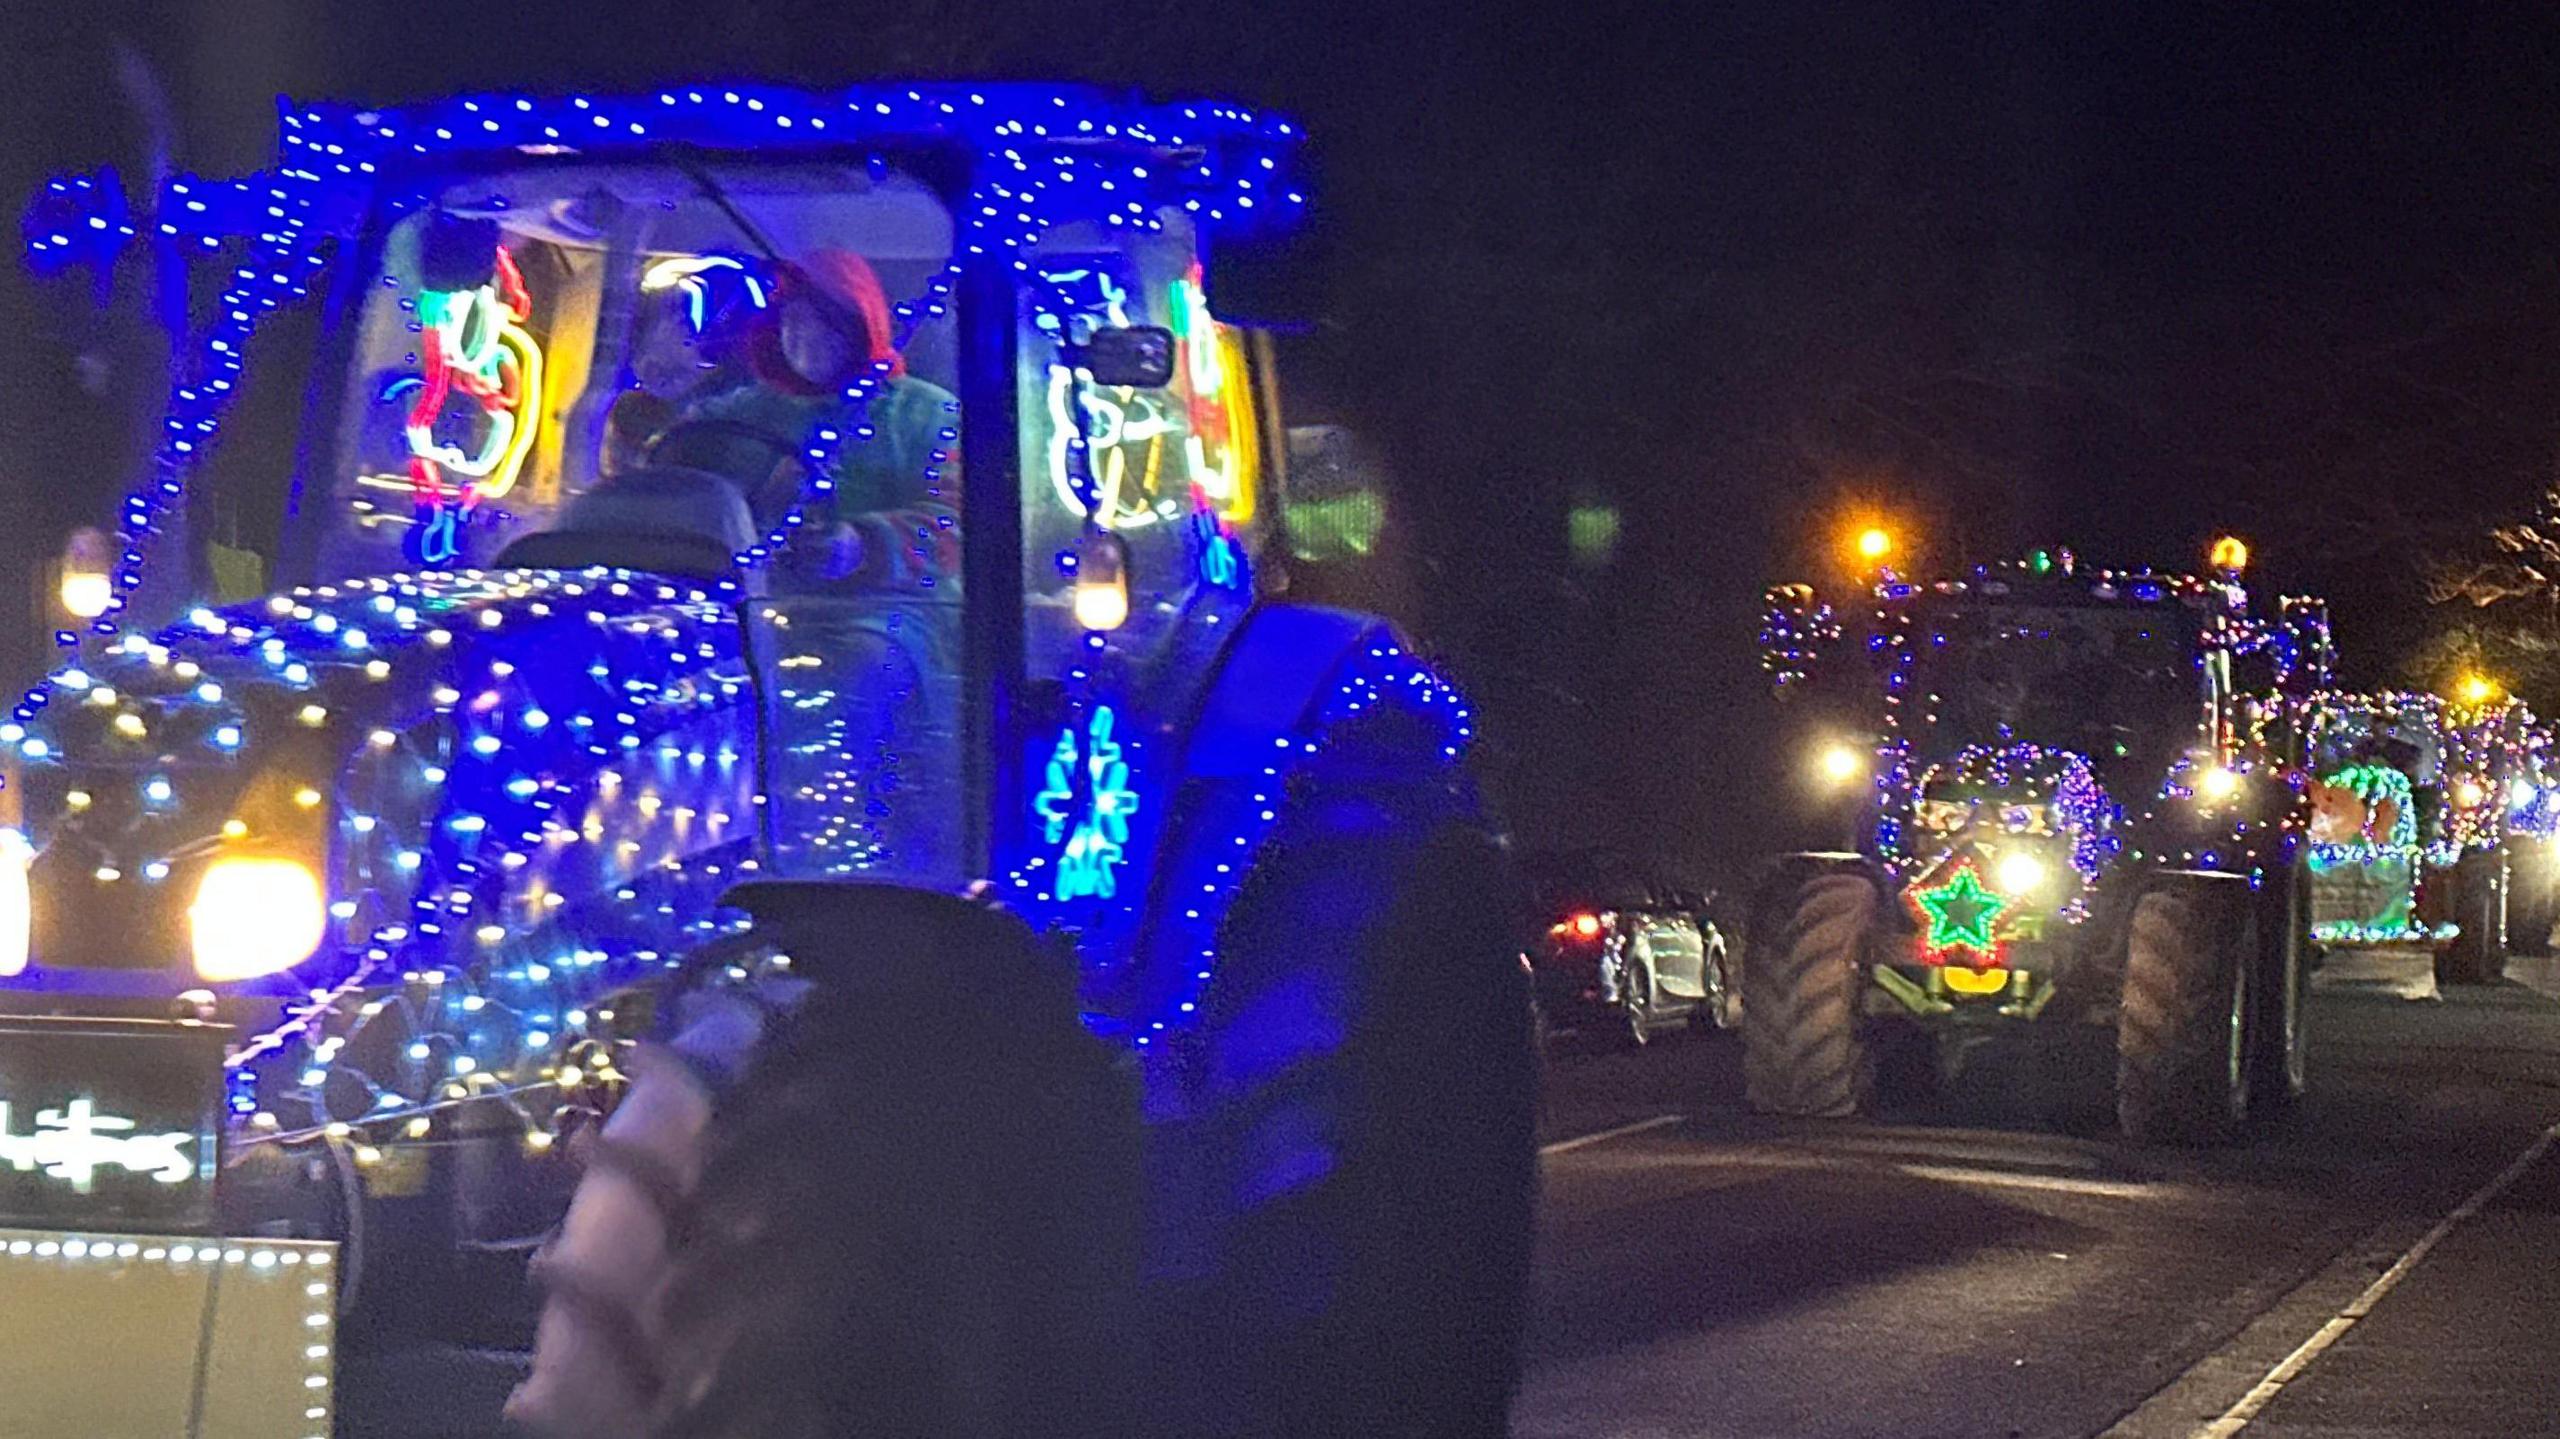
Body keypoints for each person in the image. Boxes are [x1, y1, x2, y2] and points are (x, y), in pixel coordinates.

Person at [642, 247, 960, 594]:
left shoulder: (928, 414)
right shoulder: (736, 413)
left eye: (826, 321)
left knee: (865, 651)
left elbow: (957, 525)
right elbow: (667, 474)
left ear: (860, 324)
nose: (805, 335)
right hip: (750, 607)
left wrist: (861, 547)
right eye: (793, 319)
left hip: (887, 612)